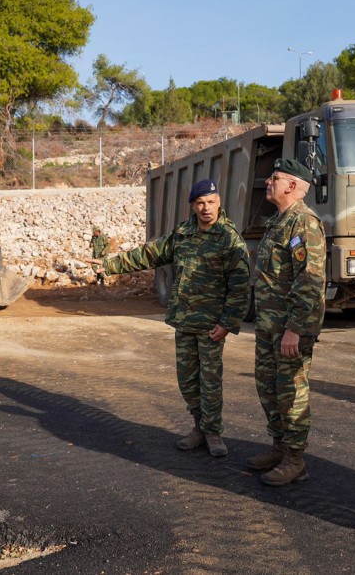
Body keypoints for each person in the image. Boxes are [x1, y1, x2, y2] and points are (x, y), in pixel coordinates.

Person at [88, 179, 249, 457]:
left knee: (210, 380)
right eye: (200, 203)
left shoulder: (229, 238)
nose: (206, 208)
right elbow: (149, 254)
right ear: (193, 205)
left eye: (211, 202)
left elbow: (240, 285)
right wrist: (110, 264)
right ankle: (198, 427)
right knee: (187, 379)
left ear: (219, 202)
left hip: (212, 325)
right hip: (185, 320)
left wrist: (227, 323)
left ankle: (213, 433)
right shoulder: (183, 234)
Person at [245, 158, 326, 487]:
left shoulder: (304, 223)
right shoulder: (279, 221)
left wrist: (294, 329)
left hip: (289, 330)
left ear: (292, 186)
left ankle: (295, 459)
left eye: (275, 178)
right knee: (268, 389)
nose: (268, 182)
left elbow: (310, 281)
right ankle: (279, 447)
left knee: (291, 393)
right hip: (269, 326)